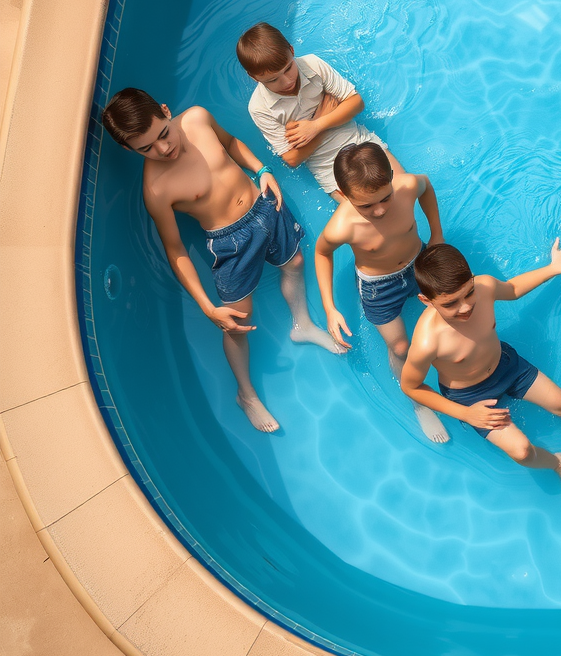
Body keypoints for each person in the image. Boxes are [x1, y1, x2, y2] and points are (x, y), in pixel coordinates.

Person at [100, 88, 338, 433]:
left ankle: (302, 325)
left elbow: (231, 144)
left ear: (167, 111)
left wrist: (262, 170)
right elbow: (176, 250)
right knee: (237, 321)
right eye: (146, 148)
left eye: (163, 134)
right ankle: (246, 393)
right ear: (128, 149)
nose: (163, 149)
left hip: (264, 204)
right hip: (230, 243)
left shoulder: (197, 118)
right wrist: (208, 308)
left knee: (295, 263)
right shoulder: (156, 189)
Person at [401, 241, 561, 505]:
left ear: (472, 280)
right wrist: (466, 413)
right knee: (522, 450)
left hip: (507, 366)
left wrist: (554, 268)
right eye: (450, 304)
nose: (465, 307)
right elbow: (411, 387)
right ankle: (559, 465)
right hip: (470, 395)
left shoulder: (484, 287)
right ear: (427, 301)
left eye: (468, 293)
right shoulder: (427, 341)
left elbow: (514, 289)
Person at [314, 142, 448, 443]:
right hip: (379, 287)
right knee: (400, 347)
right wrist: (329, 308)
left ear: (391, 177)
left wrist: (436, 234)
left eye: (385, 198)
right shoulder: (342, 226)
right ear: (345, 195)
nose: (380, 210)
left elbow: (426, 187)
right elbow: (322, 254)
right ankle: (418, 401)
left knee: (448, 317)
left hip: (419, 262)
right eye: (366, 206)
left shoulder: (408, 185)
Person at [237, 22, 402, 200]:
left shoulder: (313, 64)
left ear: (292, 51)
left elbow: (356, 103)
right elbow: (292, 159)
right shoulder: (259, 108)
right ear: (253, 77)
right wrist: (321, 120)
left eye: (288, 69)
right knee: (371, 216)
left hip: (360, 142)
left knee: (404, 189)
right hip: (328, 168)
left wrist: (316, 126)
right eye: (273, 80)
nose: (286, 82)